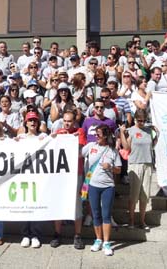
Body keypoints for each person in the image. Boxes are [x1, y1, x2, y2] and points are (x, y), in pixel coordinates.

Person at [82, 124, 121, 256]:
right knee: (95, 214)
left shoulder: (112, 151)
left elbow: (119, 169)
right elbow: (77, 153)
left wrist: (110, 167)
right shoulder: (91, 146)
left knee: (106, 215)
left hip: (108, 187)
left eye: (98, 134)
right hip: (93, 185)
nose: (96, 136)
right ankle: (98, 239)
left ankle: (107, 242)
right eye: (95, 134)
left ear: (105, 135)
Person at [50, 111, 86, 250]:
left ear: (74, 122)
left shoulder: (80, 131)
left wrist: (71, 138)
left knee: (77, 204)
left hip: (76, 173)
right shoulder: (59, 132)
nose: (66, 123)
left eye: (69, 121)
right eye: (65, 121)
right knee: (58, 203)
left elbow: (80, 153)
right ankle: (57, 234)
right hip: (61, 174)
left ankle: (77, 235)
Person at [119, 109, 158, 230]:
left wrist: (157, 133)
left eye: (144, 120)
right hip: (135, 164)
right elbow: (126, 147)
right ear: (135, 119)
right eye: (139, 120)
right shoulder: (131, 131)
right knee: (134, 194)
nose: (141, 122)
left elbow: (153, 145)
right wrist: (122, 133)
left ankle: (142, 220)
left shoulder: (148, 130)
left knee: (145, 195)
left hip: (147, 163)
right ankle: (131, 220)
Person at [18, 112, 47, 248]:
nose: (32, 122)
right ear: (26, 123)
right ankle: (25, 234)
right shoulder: (21, 138)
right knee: (24, 206)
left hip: (38, 177)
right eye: (30, 120)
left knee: (36, 205)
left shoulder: (43, 137)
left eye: (35, 120)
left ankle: (35, 235)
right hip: (24, 177)